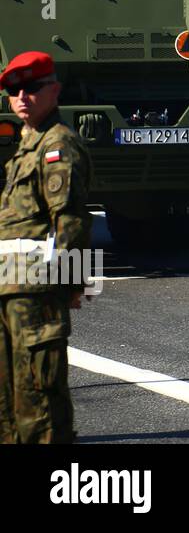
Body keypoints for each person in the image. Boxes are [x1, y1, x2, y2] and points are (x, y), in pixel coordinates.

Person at [0, 51, 92, 444]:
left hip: (37, 292)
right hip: (9, 289)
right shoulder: (27, 146)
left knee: (40, 403)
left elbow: (70, 219)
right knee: (9, 404)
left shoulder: (59, 144)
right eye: (12, 90)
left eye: (32, 88)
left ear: (53, 89)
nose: (22, 97)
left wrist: (71, 284)